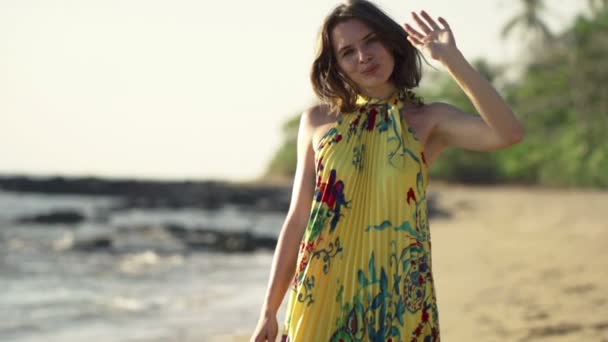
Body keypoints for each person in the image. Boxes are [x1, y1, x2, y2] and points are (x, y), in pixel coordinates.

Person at [251, 0, 524, 341]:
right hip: (321, 288)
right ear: (336, 65)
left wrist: (452, 61)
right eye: (348, 52)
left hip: (397, 293)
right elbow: (298, 218)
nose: (363, 56)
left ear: (392, 42)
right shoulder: (317, 121)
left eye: (371, 41)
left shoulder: (428, 120)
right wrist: (268, 311)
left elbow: (509, 133)